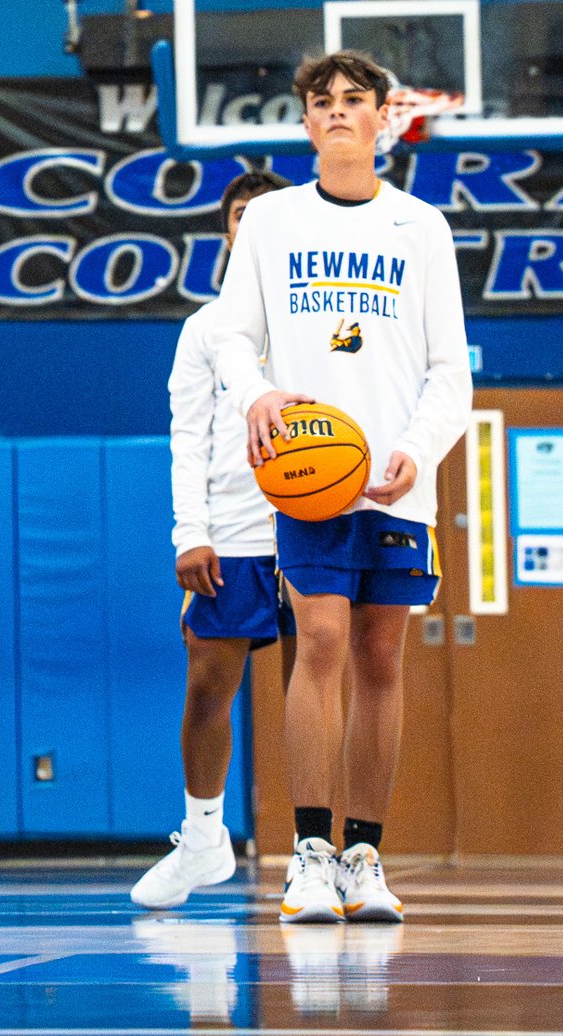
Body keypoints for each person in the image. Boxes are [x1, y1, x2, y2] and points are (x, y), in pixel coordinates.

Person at [211, 52, 471, 924]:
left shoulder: (420, 227)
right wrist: (255, 395)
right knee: (318, 639)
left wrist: (417, 450)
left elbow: (449, 370)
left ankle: (363, 856)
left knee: (380, 657)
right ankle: (308, 854)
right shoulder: (272, 220)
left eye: (353, 100)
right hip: (307, 477)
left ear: (380, 119)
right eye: (320, 102)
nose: (335, 112)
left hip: (395, 479)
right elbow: (230, 337)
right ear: (304, 123)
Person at [132, 168, 292, 911]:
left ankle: (323, 847)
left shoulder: (321, 317)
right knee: (206, 686)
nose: (248, 222)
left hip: (313, 526)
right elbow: (186, 437)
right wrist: (189, 532)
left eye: (263, 212)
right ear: (226, 231)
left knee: (319, 691)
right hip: (232, 533)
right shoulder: (204, 327)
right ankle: (203, 837)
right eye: (238, 214)